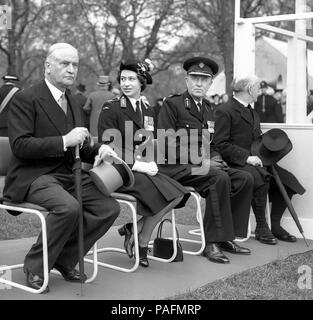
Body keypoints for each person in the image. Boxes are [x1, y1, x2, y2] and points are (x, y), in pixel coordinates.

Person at [3, 43, 120, 293]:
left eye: (74, 65)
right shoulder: (27, 98)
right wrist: (65, 140)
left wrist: (98, 149)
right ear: (48, 66)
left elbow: (81, 143)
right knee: (69, 208)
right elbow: (21, 146)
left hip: (69, 173)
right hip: (34, 175)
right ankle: (35, 266)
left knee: (108, 207)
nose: (71, 69)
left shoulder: (75, 101)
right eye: (64, 63)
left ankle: (64, 259)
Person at [157, 56, 253, 264]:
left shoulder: (208, 109)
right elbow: (167, 144)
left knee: (244, 178)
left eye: (204, 79)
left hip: (202, 166)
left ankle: (227, 236)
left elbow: (211, 143)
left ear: (210, 83)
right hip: (176, 167)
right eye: (195, 78)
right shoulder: (172, 105)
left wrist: (217, 157)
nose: (199, 83)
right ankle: (211, 242)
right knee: (218, 178)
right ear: (187, 80)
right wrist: (203, 161)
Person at [98, 59, 190, 268]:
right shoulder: (111, 108)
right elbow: (108, 147)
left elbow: (146, 142)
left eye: (132, 79)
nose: (126, 83)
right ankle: (142, 240)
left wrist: (150, 161)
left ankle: (135, 229)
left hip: (142, 168)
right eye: (123, 79)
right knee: (166, 194)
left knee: (178, 194)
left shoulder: (147, 109)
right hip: (119, 170)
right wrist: (138, 165)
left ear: (142, 83)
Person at [213, 76, 305, 244]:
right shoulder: (225, 110)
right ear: (249, 90)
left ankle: (275, 225)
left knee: (289, 182)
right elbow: (220, 144)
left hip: (258, 160)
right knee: (260, 177)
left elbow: (255, 139)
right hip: (236, 163)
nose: (259, 92)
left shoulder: (252, 112)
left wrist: (274, 145)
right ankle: (262, 227)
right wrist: (247, 158)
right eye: (257, 89)